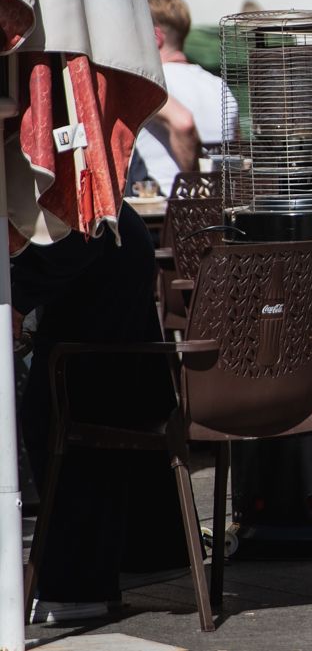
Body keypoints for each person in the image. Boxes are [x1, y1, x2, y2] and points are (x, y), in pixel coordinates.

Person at [15, 204, 190, 624]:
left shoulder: (84, 217)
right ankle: (90, 575)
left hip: (88, 362)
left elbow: (60, 253)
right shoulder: (103, 214)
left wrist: (17, 301)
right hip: (113, 349)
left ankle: (74, 584)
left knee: (61, 417)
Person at [134, 0, 239, 190]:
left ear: (155, 38)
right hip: (219, 210)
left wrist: (196, 189)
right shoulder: (219, 86)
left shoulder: (146, 82)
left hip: (163, 211)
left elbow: (183, 123)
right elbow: (234, 151)